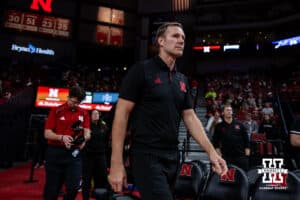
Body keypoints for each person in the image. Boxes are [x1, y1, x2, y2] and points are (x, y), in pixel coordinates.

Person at [108, 22, 227, 200]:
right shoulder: (141, 70)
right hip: (146, 155)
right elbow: (121, 114)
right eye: (175, 36)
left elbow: (190, 117)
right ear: (161, 41)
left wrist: (211, 152)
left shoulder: (182, 80)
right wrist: (116, 162)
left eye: (183, 38)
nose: (181, 41)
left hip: (172, 156)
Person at [43, 85, 91, 200]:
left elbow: (87, 133)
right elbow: (47, 133)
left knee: (74, 187)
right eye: (73, 101)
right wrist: (62, 137)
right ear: (68, 97)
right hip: (55, 153)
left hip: (74, 154)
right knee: (52, 190)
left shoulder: (84, 113)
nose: (75, 105)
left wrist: (83, 140)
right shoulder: (56, 110)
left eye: (78, 103)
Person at [213, 104, 250, 171]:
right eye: (227, 110)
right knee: (227, 176)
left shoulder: (240, 124)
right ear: (223, 113)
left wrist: (247, 151)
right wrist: (218, 153)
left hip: (240, 155)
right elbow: (215, 141)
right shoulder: (219, 126)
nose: (229, 111)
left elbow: (246, 138)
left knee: (243, 176)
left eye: (230, 110)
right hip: (226, 156)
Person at [82, 109, 109, 200]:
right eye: (93, 113)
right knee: (87, 178)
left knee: (102, 177)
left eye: (97, 113)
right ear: (90, 115)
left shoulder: (104, 126)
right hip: (88, 156)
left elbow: (106, 140)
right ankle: (85, 197)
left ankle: (98, 196)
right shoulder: (86, 126)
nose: (95, 115)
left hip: (101, 155)